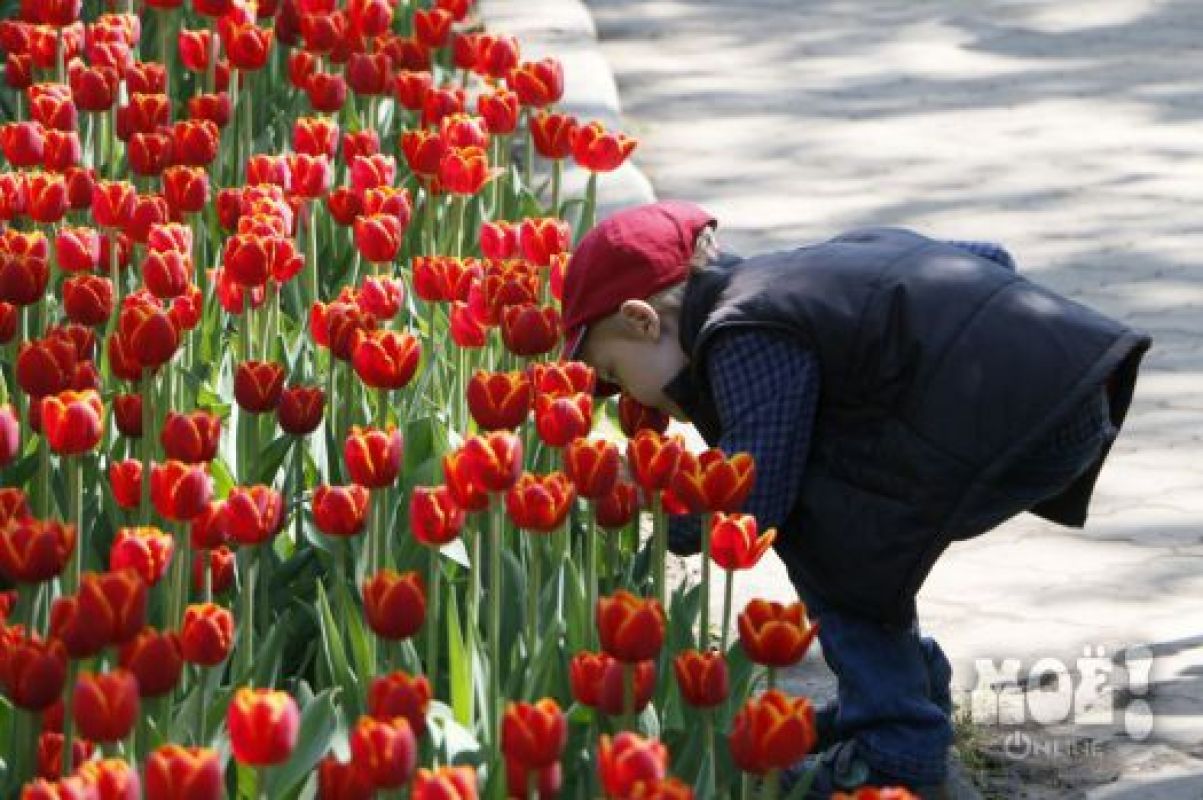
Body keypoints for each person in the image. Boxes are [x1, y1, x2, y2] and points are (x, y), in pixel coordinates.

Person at [560, 199, 1152, 797]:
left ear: (642, 320)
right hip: (1066, 374)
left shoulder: (743, 333)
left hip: (1028, 412)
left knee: (829, 531)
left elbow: (752, 495)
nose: (623, 395)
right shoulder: (793, 277)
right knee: (845, 504)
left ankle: (895, 746)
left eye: (613, 371)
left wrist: (656, 509)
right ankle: (901, 689)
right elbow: (987, 260)